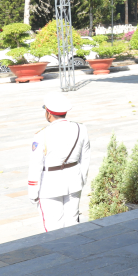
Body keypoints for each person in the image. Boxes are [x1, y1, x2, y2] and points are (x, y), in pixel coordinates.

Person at [28, 92, 90, 231]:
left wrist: (33, 192)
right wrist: (81, 180)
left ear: (49, 113)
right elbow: (85, 158)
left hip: (49, 186)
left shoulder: (41, 135)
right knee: (73, 224)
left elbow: (35, 166)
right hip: (74, 181)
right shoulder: (81, 129)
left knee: (53, 228)